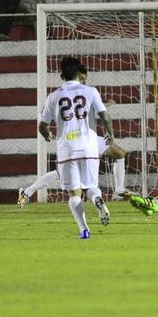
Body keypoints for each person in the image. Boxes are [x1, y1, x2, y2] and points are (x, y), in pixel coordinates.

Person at [18, 66, 129, 207]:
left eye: (85, 78)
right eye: (82, 77)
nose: (83, 80)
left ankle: (119, 189)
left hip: (88, 137)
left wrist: (104, 103)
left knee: (119, 153)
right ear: (77, 76)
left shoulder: (82, 92)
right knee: (61, 174)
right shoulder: (70, 93)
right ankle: (28, 191)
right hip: (73, 138)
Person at [38, 56, 115, 239]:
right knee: (90, 186)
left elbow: (42, 125)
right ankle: (97, 198)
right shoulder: (91, 91)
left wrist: (47, 135)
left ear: (61, 75)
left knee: (74, 193)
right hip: (89, 146)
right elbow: (105, 116)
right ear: (79, 74)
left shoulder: (54, 96)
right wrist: (110, 134)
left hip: (67, 149)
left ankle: (84, 230)